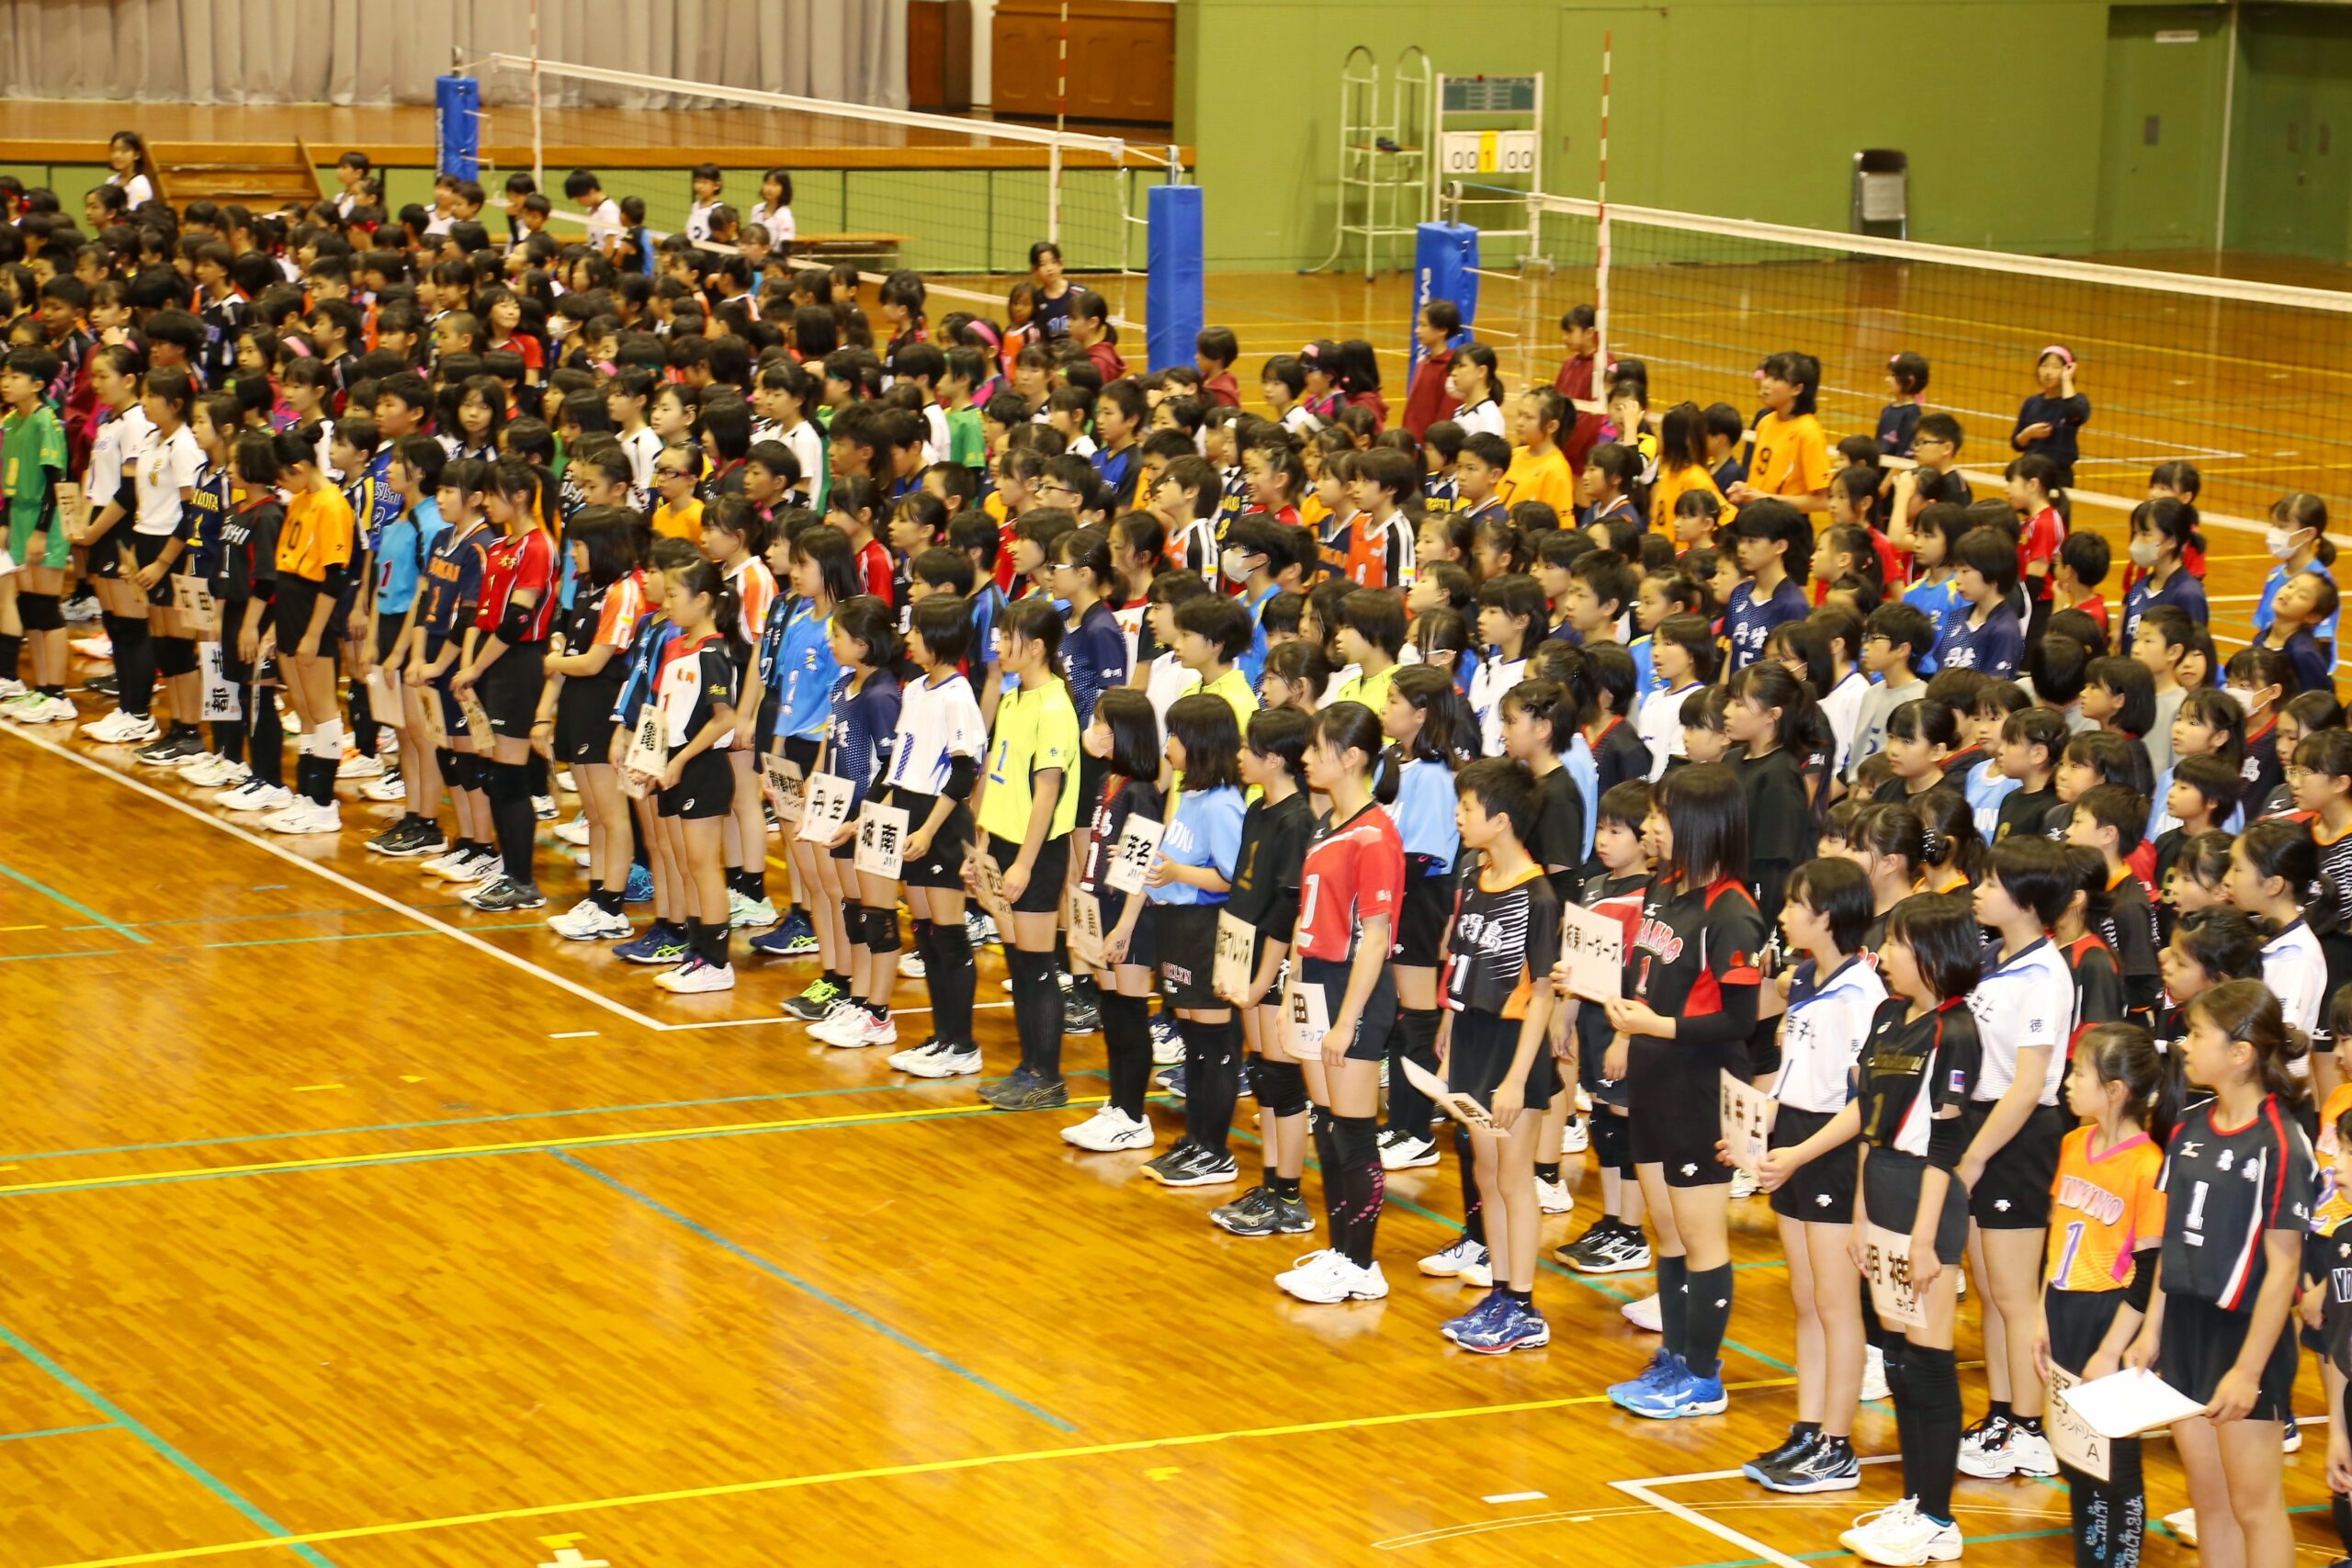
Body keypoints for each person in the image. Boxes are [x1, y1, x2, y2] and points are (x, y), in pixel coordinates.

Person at [2122, 981, 2314, 1568]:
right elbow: (2172, 1240)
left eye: (2197, 1034)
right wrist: (2151, 1331)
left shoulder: (2281, 1143)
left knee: (2255, 1507)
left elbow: (2284, 1268)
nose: (2184, 1044)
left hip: (2244, 1336)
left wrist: (2248, 1371)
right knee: (2209, 1501)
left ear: (2240, 1053)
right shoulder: (2188, 1127)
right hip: (2184, 1327)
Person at [1604, 762, 1766, 1420]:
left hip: (1701, 1086)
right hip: (1653, 1076)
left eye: (1660, 816)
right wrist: (1622, 1022)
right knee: (1667, 1231)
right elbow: (1644, 979)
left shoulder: (1733, 912)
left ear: (1698, 824)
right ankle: (1674, 1356)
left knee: (1701, 1236)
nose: (1649, 826)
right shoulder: (1663, 888)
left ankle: (1703, 1376)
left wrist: (1657, 1027)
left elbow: (1740, 1019)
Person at [1835, 894, 1987, 1567]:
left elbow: (1947, 1144)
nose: (1885, 954)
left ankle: (1938, 1518)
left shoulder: (1957, 1030)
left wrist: (1925, 1239)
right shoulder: (1887, 1014)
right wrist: (1862, 1214)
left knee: (1928, 1357)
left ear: (1931, 953)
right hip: (1883, 1189)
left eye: (1896, 943)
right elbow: (1869, 1118)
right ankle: (1915, 1500)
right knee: (1896, 1354)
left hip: (1929, 1196)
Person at [1747, 857, 1884, 1493]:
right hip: (1795, 1140)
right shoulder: (1805, 977)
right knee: (1806, 1300)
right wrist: (1752, 1129)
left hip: (1829, 1149)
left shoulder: (1863, 996)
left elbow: (1865, 1105)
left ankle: (1838, 1443)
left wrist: (1800, 1153)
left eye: (1793, 905)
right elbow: (1790, 1076)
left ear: (1825, 916)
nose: (1782, 915)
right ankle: (1809, 1427)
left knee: (1835, 1303)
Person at [1427, 756, 1563, 1354]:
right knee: (1486, 1172)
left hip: (1513, 1049)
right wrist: (1449, 1042)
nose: (1458, 816)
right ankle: (1502, 1292)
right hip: (1472, 1041)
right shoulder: (1474, 880)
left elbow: (1542, 996)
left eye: (1467, 807)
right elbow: (1462, 967)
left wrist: (1515, 1079)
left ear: (1501, 819)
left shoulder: (1538, 895)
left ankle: (1525, 1305)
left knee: (1513, 1176)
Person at [1953, 837, 2078, 1482]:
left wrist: (1974, 1157)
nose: (1977, 891)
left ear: (2027, 900)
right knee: (1988, 1288)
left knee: (2015, 1292)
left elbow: (2028, 1085)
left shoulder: (2045, 976)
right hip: (1981, 1123)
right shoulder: (1992, 958)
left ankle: (2032, 1429)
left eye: (1991, 883)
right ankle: (2002, 1414)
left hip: (2019, 1134)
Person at [1275, 701, 1406, 1305]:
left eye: (1316, 747)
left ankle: (1362, 1263)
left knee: (1353, 1132)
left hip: (1353, 989)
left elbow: (1375, 937)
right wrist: (1291, 994)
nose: (1305, 757)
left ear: (1351, 756)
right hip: (1316, 983)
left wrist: (1347, 1020)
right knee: (1327, 1126)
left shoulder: (1375, 834)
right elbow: (1308, 919)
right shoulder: (1326, 823)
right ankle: (1339, 1250)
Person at [2036, 1023, 2171, 1568]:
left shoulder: (2147, 1166)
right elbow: (2057, 1235)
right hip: (2064, 1308)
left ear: (2114, 1090)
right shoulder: (2072, 1144)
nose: (2068, 1082)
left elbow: (2150, 1269)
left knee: (2116, 1463)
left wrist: (2112, 1348)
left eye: (2078, 1073)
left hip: (2109, 1316)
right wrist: (2041, 1316)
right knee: (2077, 1455)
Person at [970, 596, 1083, 1111]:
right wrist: (983, 845)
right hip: (1004, 844)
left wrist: (1023, 864)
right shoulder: (1016, 698)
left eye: (1006, 637)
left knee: (1036, 966)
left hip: (1035, 852)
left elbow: (1047, 794)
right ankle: (1028, 1067)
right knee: (1019, 961)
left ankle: (1048, 1078)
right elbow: (998, 777)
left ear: (1036, 646)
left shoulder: (1055, 707)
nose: (997, 645)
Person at [1209, 707, 1317, 1236]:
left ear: (1274, 759)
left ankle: (1290, 1197)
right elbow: (1244, 892)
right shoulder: (1258, 808)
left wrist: (1260, 980)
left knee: (1283, 1077)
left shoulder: (1298, 820)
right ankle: (1272, 1183)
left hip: (1276, 960)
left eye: (1246, 748)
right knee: (1263, 1074)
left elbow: (1284, 907)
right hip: (1247, 952)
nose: (1238, 756)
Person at [1136, 694, 1249, 1185]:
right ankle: (1197, 1139)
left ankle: (1215, 1150)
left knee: (1213, 1043)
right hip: (1178, 927)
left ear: (1199, 742)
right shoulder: (1192, 795)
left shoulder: (1223, 805)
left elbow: (1233, 879)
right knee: (1195, 1044)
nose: (1169, 745)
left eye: (1176, 735)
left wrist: (1180, 873)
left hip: (1206, 929)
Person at [449, 462, 558, 906]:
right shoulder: (498, 546)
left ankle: (523, 882)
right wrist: (470, 669)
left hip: (519, 664)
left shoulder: (538, 546)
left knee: (509, 775)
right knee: (494, 773)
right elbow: (482, 615)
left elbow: (518, 620)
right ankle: (508, 872)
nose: (487, 503)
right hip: (491, 663)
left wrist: (476, 667)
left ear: (519, 496)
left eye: (493, 495)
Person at [637, 557, 741, 992]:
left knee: (702, 866)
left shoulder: (713, 652)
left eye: (675, 595)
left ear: (702, 600)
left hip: (701, 767)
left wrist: (680, 761)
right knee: (685, 864)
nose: (668, 603)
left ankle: (717, 962)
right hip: (673, 763)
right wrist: (652, 761)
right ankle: (697, 953)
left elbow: (725, 718)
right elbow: (665, 713)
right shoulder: (676, 646)